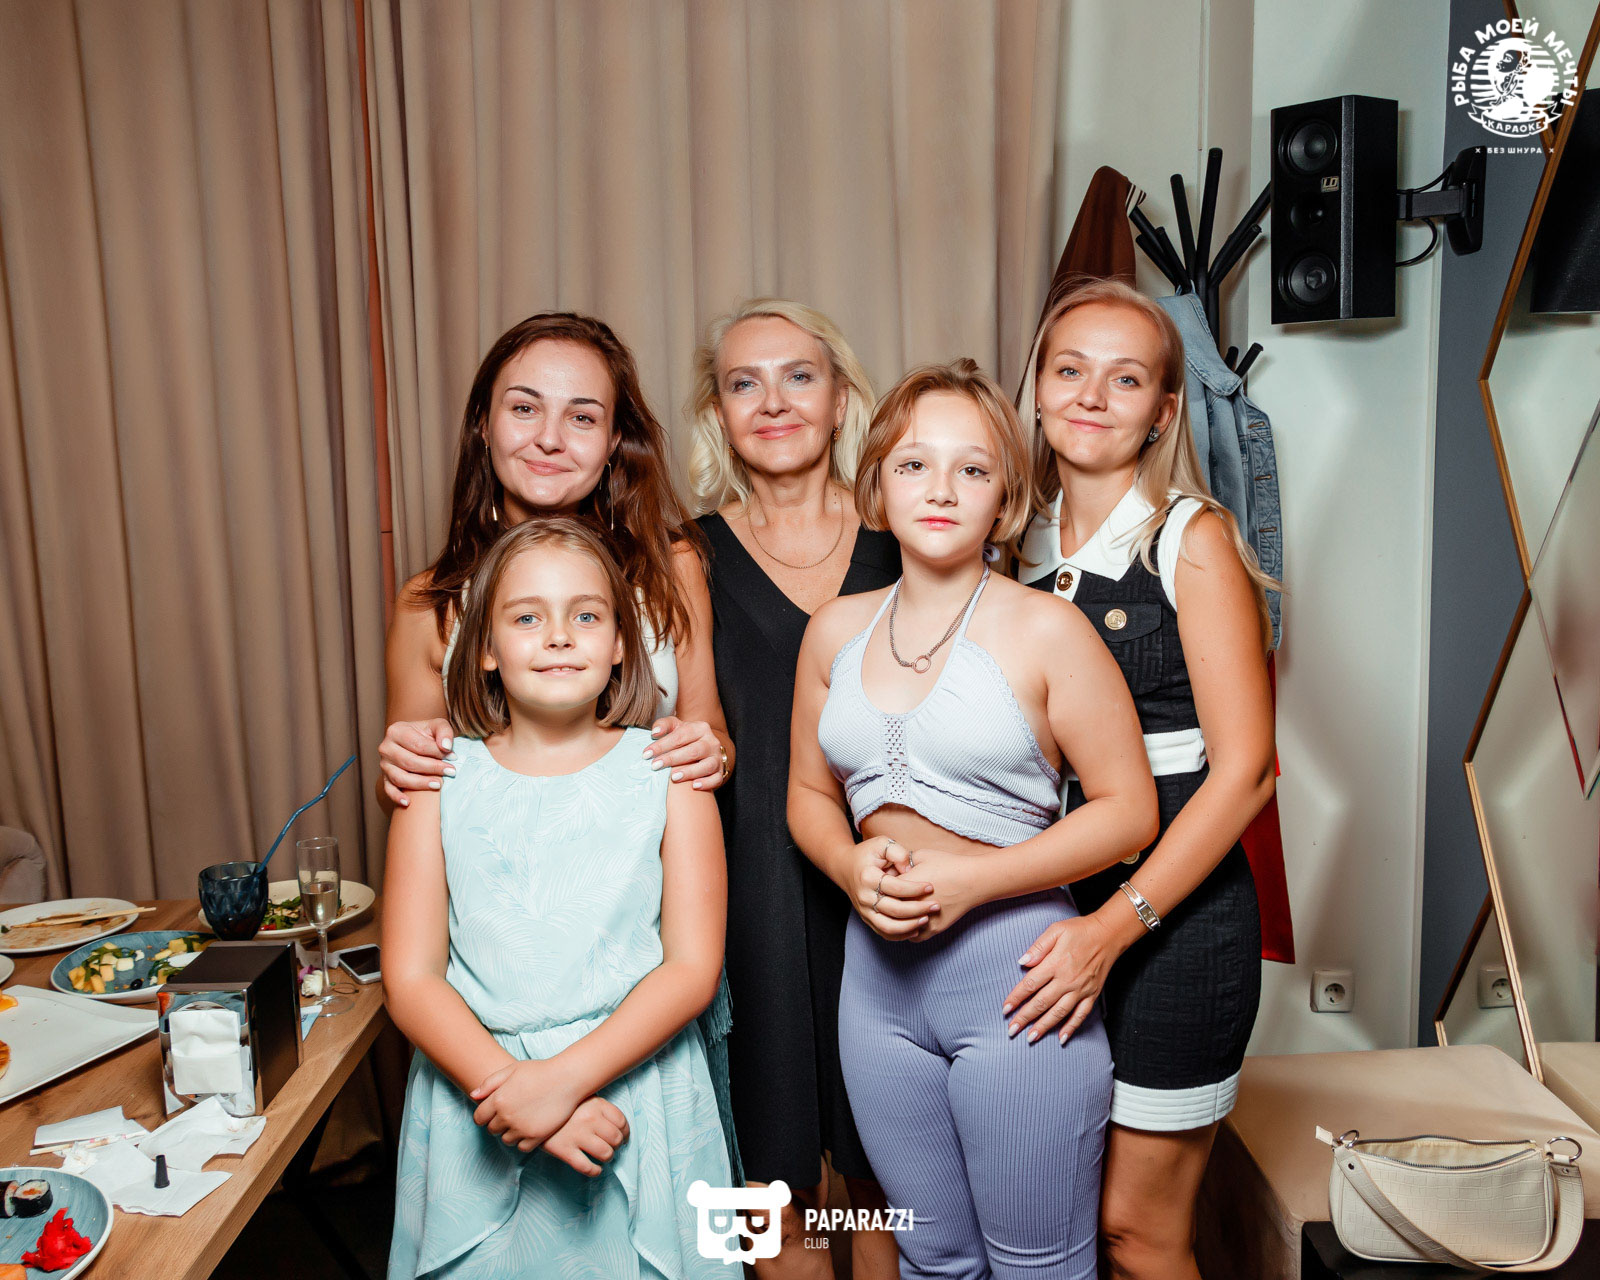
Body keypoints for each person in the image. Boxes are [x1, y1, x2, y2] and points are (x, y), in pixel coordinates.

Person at [788, 359, 1158, 1280]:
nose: (941, 490)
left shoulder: (1048, 629)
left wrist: (974, 881)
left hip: (1018, 986)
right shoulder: (832, 632)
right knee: (932, 1260)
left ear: (1005, 500)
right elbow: (808, 796)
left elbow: (1130, 812)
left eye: (973, 468)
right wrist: (846, 866)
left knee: (1039, 1267)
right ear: (877, 486)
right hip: (875, 994)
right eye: (914, 465)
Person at [375, 312, 740, 1172]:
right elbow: (425, 790)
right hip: (496, 989)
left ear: (615, 441)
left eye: (582, 416)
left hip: (642, 961)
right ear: (484, 424)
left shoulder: (672, 566)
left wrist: (709, 754)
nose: (549, 437)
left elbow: (710, 732)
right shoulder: (430, 603)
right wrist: (403, 756)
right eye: (524, 408)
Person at [1005, 278, 1277, 1280]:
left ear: (1163, 411)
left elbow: (1245, 773)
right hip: (1043, 915)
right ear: (1037, 388)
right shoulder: (1004, 545)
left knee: (1137, 1230)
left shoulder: (1188, 539)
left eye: (1124, 379)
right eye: (1069, 370)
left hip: (1176, 924)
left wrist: (1113, 929)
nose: (1090, 395)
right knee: (1053, 1213)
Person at [382, 517, 731, 1279]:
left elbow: (692, 969)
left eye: (587, 615)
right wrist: (520, 1097)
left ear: (622, 643)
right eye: (526, 618)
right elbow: (409, 978)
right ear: (483, 648)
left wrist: (557, 1086)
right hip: (477, 1090)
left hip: (636, 1092)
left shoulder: (671, 773)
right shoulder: (435, 783)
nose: (560, 636)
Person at [685, 298, 900, 1278]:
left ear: (841, 397)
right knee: (770, 1189)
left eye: (798, 376)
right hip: (749, 899)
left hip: (888, 896)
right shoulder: (686, 554)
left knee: (885, 1175)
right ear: (719, 414)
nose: (773, 401)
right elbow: (698, 734)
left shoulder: (908, 532)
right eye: (745, 383)